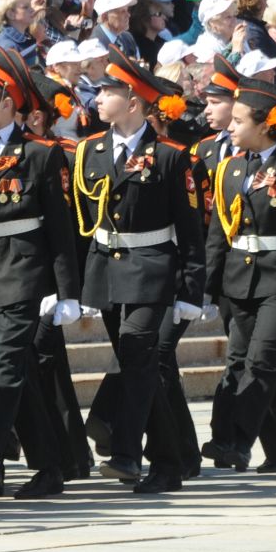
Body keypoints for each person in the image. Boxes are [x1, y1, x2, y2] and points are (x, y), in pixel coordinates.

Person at [69, 48, 205, 495]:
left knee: (137, 353)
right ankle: (170, 460)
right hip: (106, 268)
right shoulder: (90, 150)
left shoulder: (169, 156)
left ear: (132, 102)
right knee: (142, 366)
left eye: (107, 91)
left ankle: (127, 451)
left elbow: (189, 231)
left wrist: (190, 289)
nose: (97, 98)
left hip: (152, 269)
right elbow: (80, 223)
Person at [0, 45, 82, 495]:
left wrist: (66, 291)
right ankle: (49, 467)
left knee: (4, 366)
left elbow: (60, 230)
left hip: (25, 272)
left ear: (8, 103)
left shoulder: (41, 155)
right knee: (19, 373)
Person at [201, 76, 276, 480]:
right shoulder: (229, 170)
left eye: (238, 121)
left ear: (265, 125)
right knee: (247, 363)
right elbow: (219, 235)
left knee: (263, 359)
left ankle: (236, 440)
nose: (230, 127)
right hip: (239, 280)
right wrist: (206, 288)